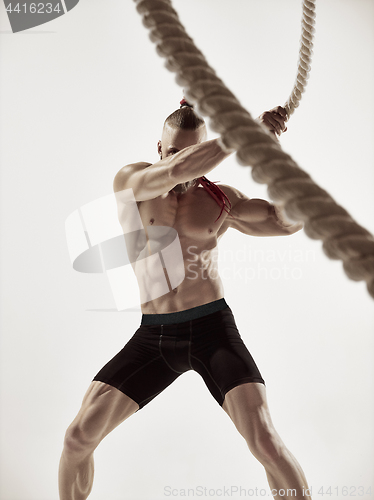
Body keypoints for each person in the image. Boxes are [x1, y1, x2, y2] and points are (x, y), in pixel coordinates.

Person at [58, 100, 311, 500]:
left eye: (195, 152)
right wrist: (244, 130)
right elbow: (176, 172)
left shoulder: (221, 200)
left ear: (207, 155)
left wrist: (276, 159)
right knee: (76, 439)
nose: (184, 161)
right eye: (175, 151)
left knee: (265, 442)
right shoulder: (133, 181)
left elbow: (286, 222)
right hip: (153, 335)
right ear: (159, 150)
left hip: (213, 329)